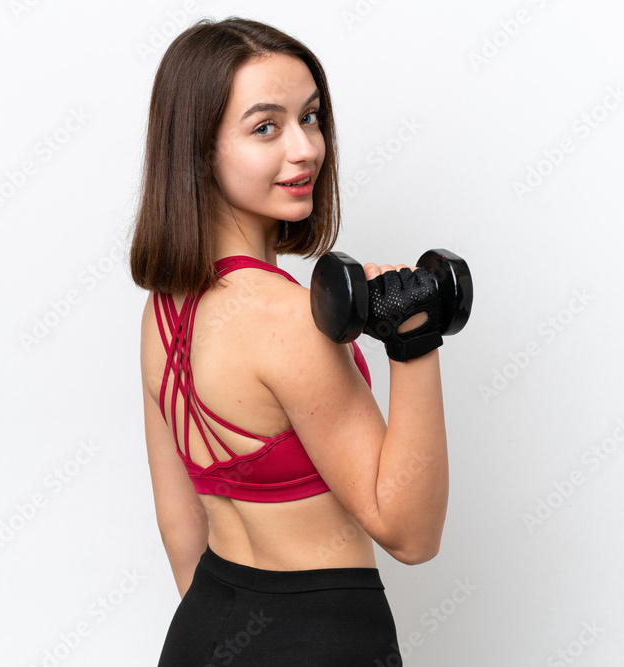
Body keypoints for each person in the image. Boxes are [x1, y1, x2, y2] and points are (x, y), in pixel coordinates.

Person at [129, 16, 449, 666]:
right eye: (265, 128)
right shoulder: (290, 319)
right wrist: (414, 336)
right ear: (199, 150)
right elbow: (411, 534)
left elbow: (180, 523)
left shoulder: (163, 310)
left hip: (202, 629)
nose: (305, 149)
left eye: (310, 117)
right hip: (322, 638)